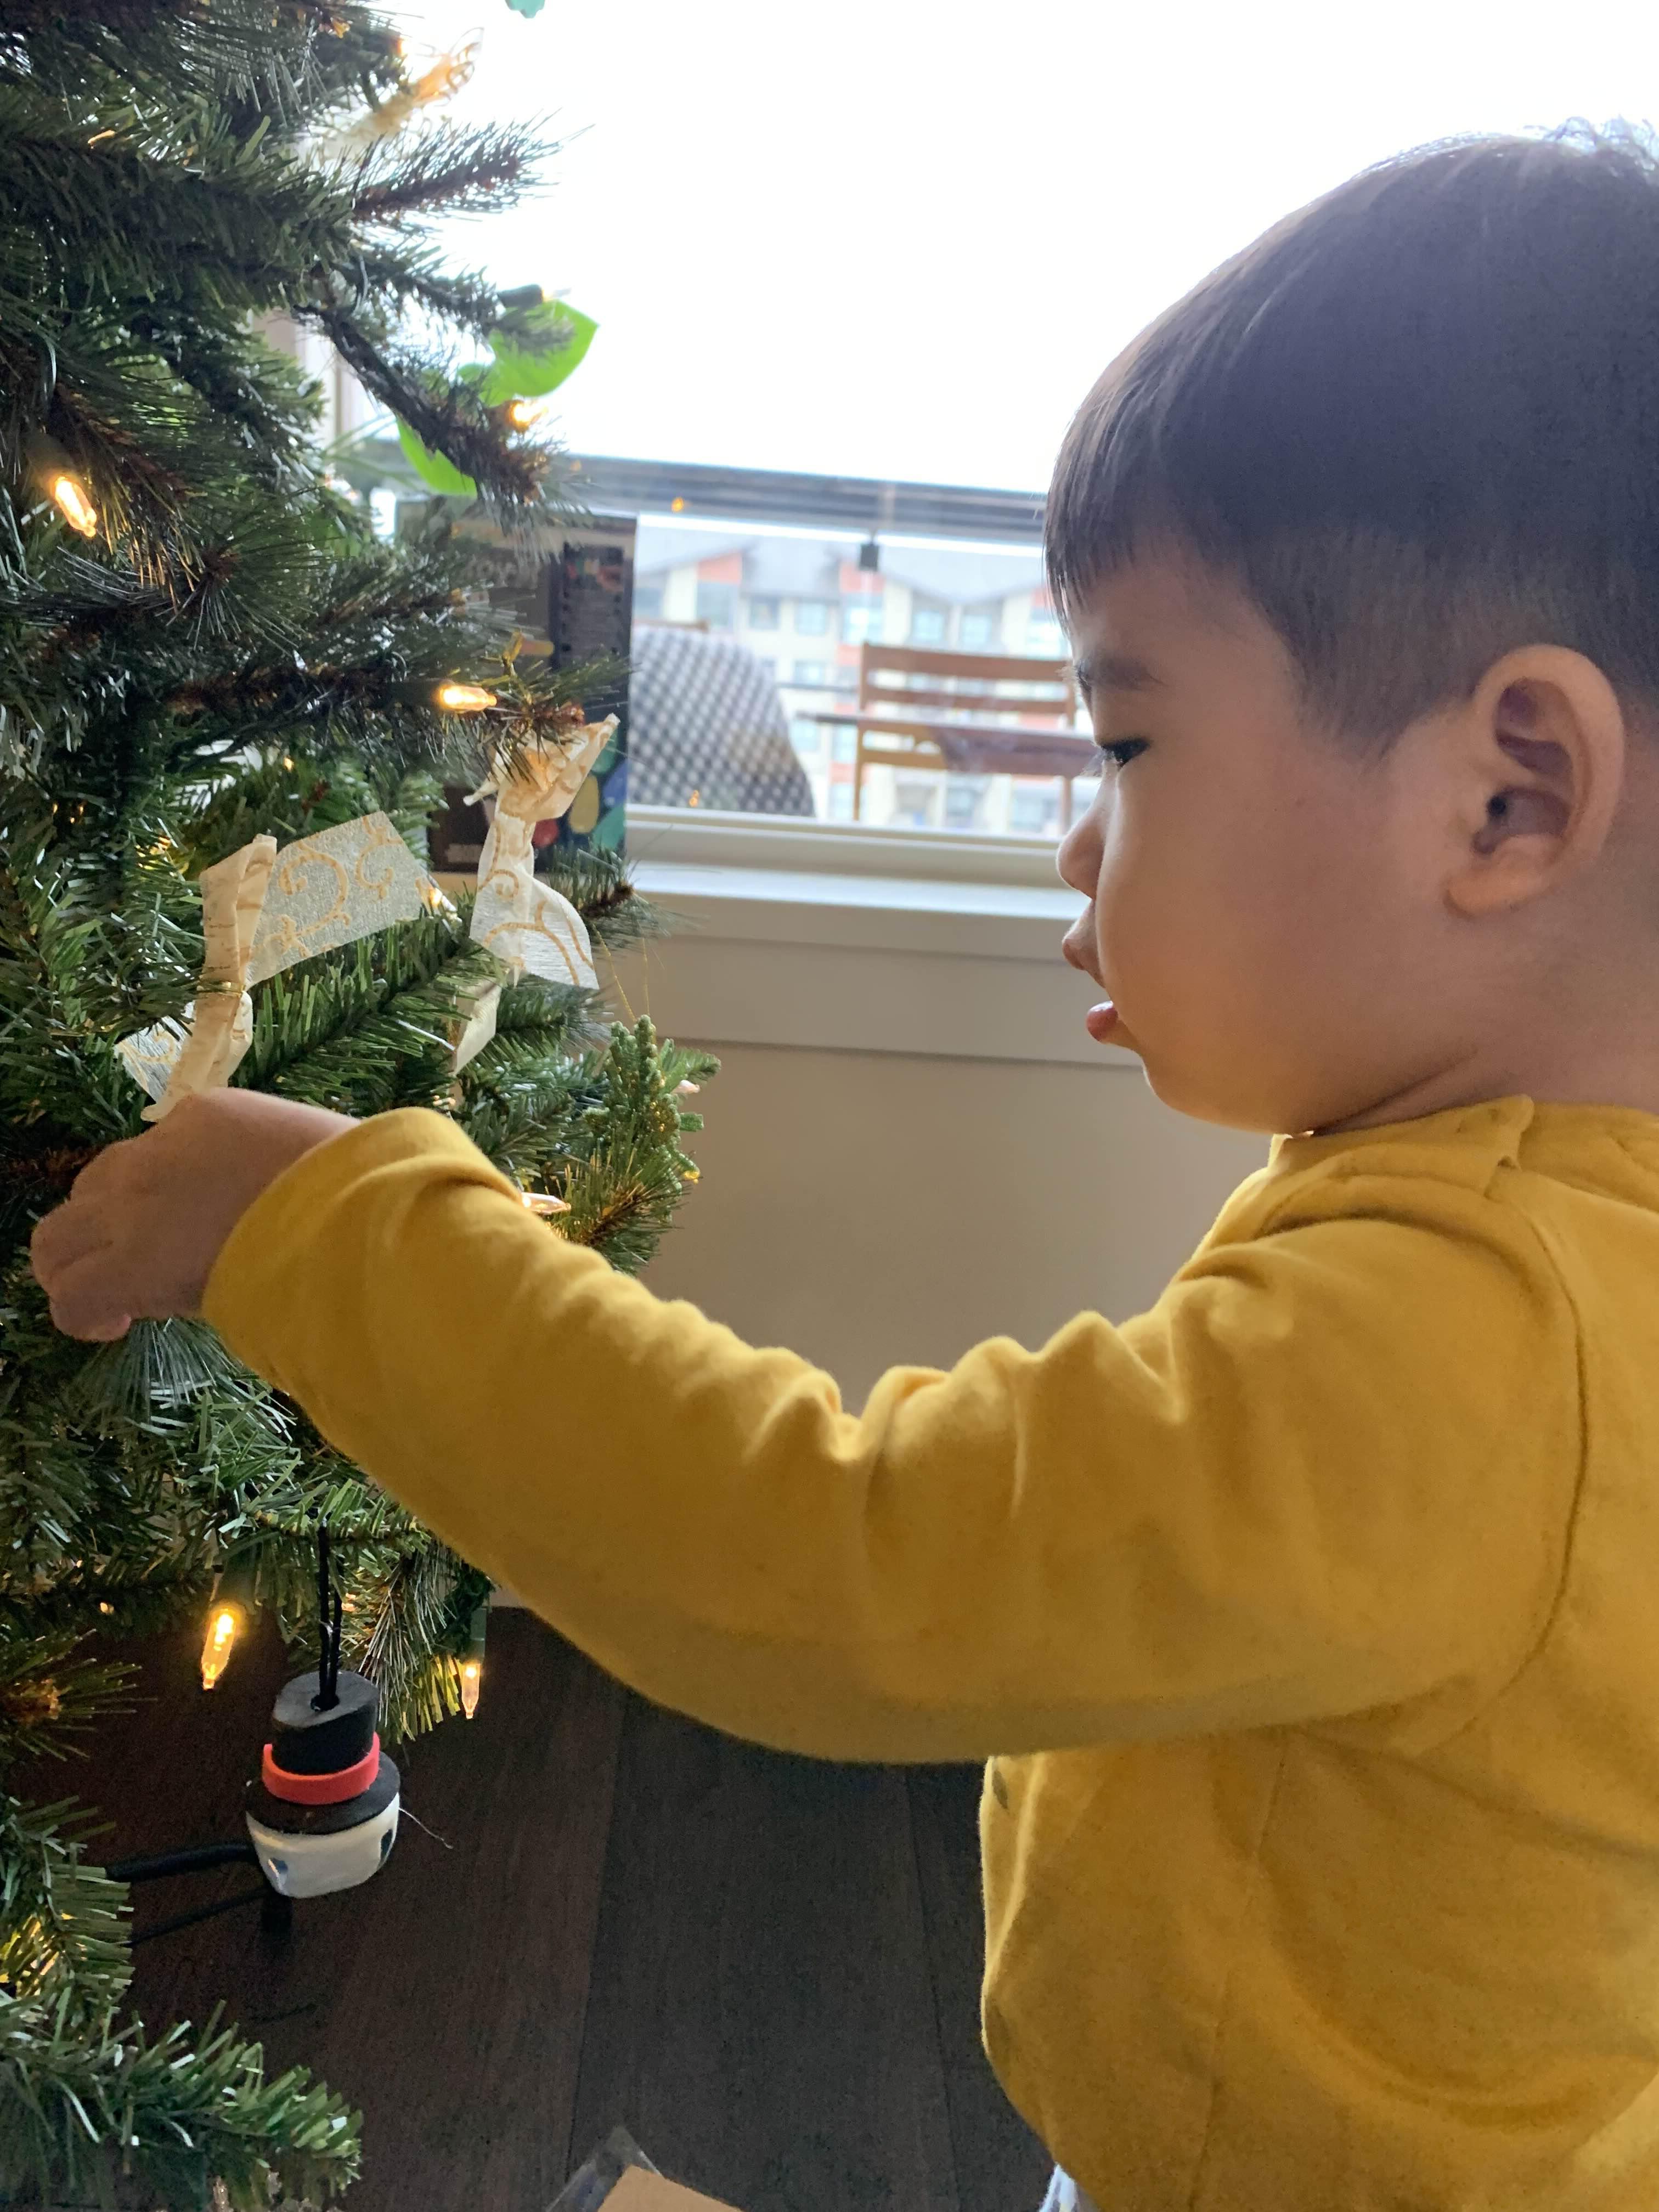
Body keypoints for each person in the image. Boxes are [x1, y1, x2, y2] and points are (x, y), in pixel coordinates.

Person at [33, 125, 1659, 2210]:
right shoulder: (1545, 1236)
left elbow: (823, 1551)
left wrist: (309, 1217)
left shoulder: (1474, 1342)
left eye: (1129, 744)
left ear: (1513, 798)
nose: (1080, 840)